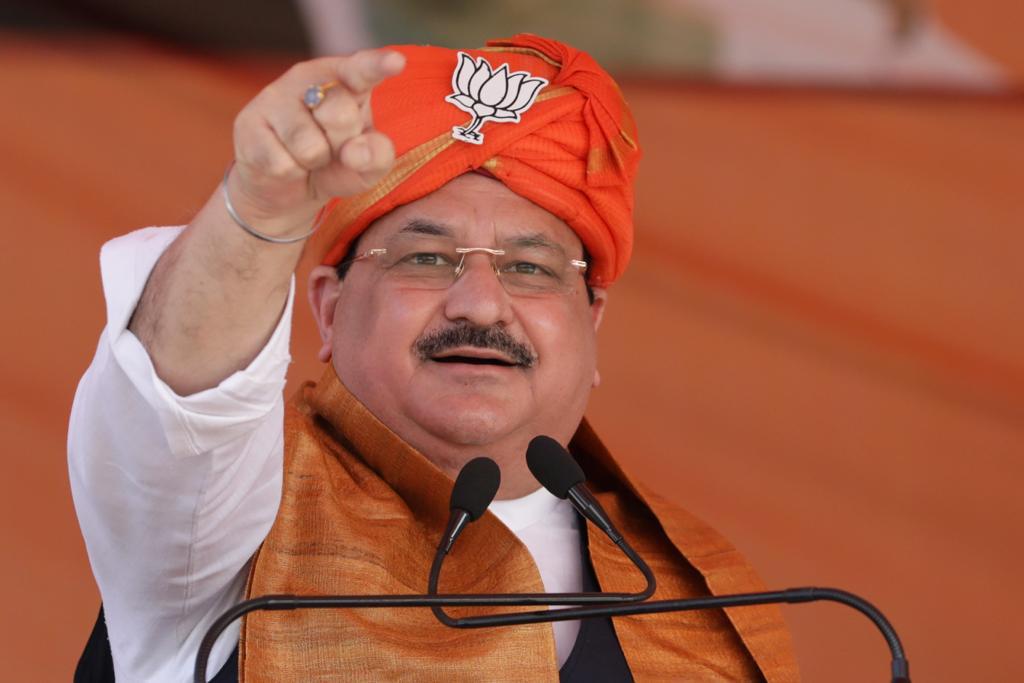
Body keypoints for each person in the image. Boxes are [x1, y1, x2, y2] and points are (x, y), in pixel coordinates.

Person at [69, 34, 798, 682]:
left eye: (531, 268)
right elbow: (183, 403)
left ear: (593, 323)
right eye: (424, 257)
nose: (480, 303)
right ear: (326, 307)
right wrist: (258, 214)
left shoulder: (704, 586)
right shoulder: (222, 522)